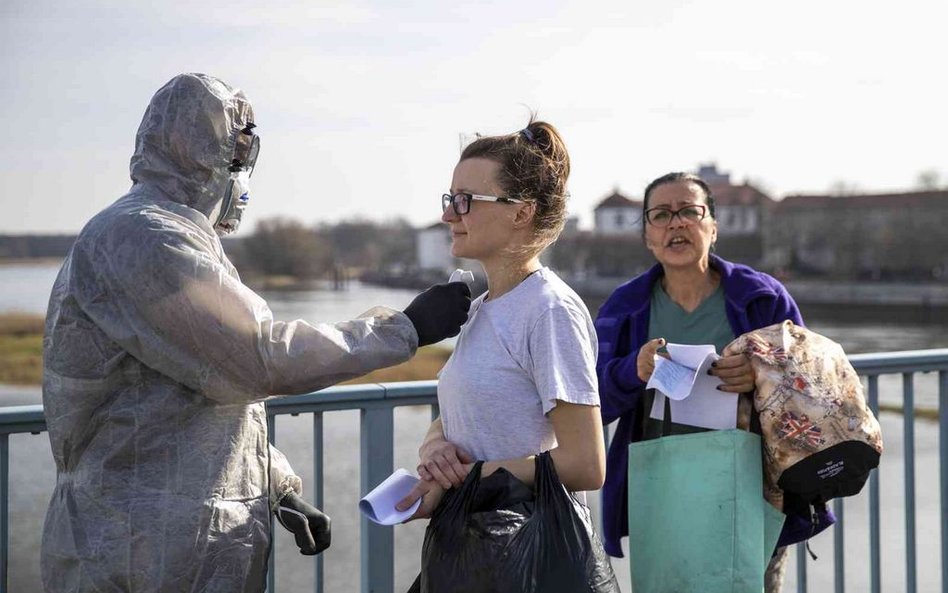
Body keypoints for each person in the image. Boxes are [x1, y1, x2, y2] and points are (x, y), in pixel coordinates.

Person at [40, 73, 471, 593]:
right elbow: (256, 358)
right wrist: (405, 328)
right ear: (197, 150)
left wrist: (275, 486)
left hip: (182, 541)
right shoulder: (144, 238)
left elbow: (199, 397)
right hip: (138, 548)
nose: (244, 173)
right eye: (236, 152)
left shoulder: (179, 236)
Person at [594, 172, 834, 591]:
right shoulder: (625, 307)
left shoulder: (764, 297)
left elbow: (810, 384)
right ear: (648, 235)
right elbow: (594, 400)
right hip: (664, 490)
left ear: (713, 227)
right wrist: (634, 368)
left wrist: (762, 375)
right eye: (661, 215)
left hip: (753, 486)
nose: (676, 223)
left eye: (690, 211)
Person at [395, 119, 610, 587]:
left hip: (527, 555)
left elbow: (586, 463)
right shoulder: (480, 309)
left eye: (466, 201)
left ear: (521, 212)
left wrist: (474, 476)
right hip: (472, 547)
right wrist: (436, 449)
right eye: (449, 199)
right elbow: (472, 411)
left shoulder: (549, 310)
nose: (450, 214)